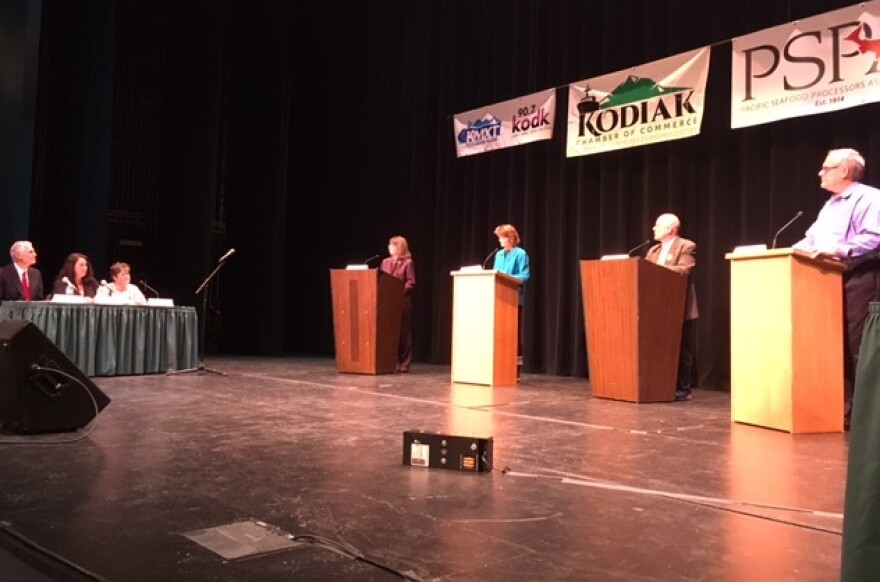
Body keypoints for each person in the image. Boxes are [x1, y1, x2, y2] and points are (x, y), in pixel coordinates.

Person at [792, 147, 880, 429]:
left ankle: (865, 413)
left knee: (859, 347)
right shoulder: (830, 204)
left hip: (860, 277)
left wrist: (839, 250)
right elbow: (811, 239)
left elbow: (874, 237)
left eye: (826, 167)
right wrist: (790, 252)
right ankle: (830, 406)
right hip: (825, 281)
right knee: (830, 346)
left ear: (844, 171)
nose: (820, 172)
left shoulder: (870, 198)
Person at [645, 213, 699, 402]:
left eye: (657, 225)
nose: (653, 228)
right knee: (657, 348)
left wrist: (655, 271)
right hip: (655, 306)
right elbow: (643, 272)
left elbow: (684, 269)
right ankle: (659, 384)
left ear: (670, 229)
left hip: (679, 306)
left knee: (682, 349)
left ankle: (683, 389)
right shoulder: (653, 250)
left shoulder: (686, 246)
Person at [492, 224, 531, 380]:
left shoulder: (521, 254)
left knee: (514, 335)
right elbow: (495, 274)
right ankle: (499, 367)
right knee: (498, 333)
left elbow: (525, 275)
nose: (499, 240)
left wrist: (508, 278)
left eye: (501, 237)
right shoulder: (498, 255)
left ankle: (516, 370)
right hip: (497, 298)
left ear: (509, 238)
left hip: (513, 299)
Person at [380, 236, 416, 373]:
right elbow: (381, 280)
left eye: (392, 245)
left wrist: (397, 292)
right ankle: (388, 361)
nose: (389, 247)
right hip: (387, 302)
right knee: (388, 332)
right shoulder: (385, 262)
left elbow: (411, 282)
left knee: (403, 333)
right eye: (389, 245)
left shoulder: (408, 263)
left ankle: (405, 363)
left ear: (399, 248)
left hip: (402, 302)